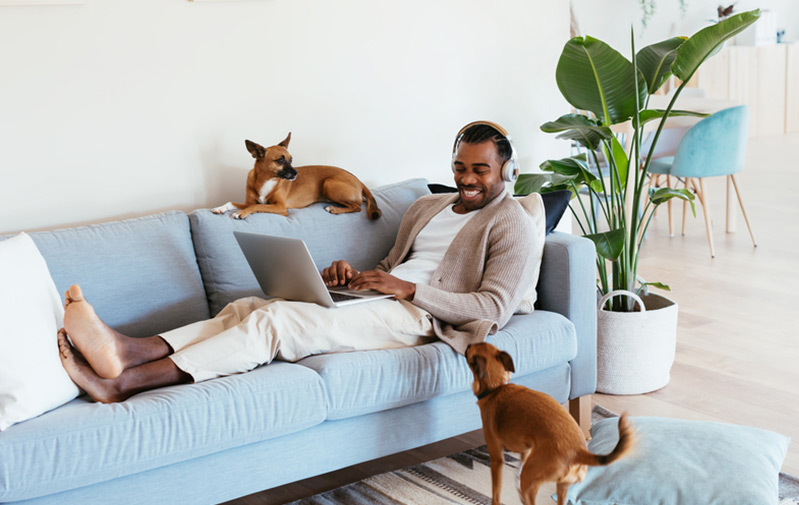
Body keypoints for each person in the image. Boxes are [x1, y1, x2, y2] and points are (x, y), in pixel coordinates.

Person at [57, 121, 541, 403]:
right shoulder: (426, 206)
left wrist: (409, 290)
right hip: (380, 300)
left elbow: (493, 307)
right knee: (248, 306)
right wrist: (352, 277)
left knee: (278, 321)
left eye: (480, 169)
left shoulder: (510, 221)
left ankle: (126, 383)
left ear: (507, 171)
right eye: (460, 167)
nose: (467, 178)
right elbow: (395, 263)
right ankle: (130, 349)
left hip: (424, 317)